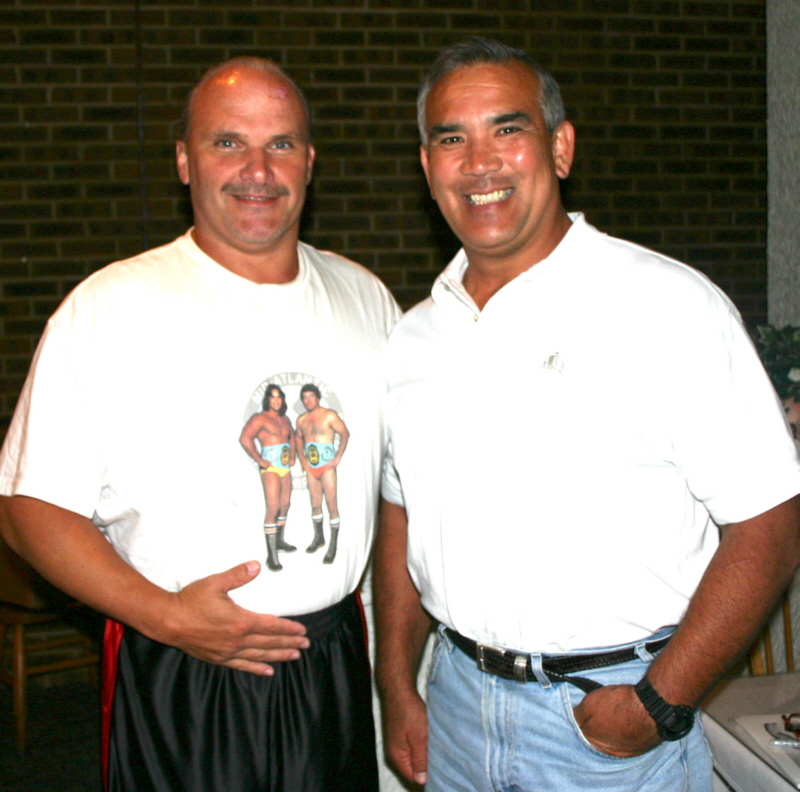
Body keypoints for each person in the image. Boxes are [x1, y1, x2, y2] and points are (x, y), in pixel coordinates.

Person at [374, 37, 800, 792]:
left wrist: (655, 706)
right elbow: (401, 515)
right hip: (455, 709)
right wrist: (398, 685)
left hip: (604, 725)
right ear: (427, 167)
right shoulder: (414, 339)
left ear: (561, 148)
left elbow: (770, 521)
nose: (479, 163)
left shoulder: (666, 307)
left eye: (508, 129)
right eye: (451, 139)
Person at [0, 56, 400, 792]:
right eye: (228, 143)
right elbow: (29, 509)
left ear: (310, 162)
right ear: (185, 161)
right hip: (184, 666)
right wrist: (165, 617)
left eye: (280, 144)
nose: (258, 170)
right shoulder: (112, 306)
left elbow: (396, 487)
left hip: (335, 658)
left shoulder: (365, 297)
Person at [239, 384, 297, 571]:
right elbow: (245, 438)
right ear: (267, 399)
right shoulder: (259, 418)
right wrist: (259, 460)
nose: (276, 400)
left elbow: (292, 438)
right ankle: (272, 556)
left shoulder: (285, 419)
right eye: (273, 397)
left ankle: (279, 541)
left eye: (279, 397)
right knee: (273, 507)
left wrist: (293, 456)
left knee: (285, 504)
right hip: (270, 467)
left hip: (285, 466)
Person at [295, 382, 350, 563]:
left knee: (331, 503)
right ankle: (319, 538)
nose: (308, 400)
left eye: (311, 396)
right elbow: (298, 438)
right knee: (315, 503)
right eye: (305, 397)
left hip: (327, 466)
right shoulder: (301, 420)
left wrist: (338, 457)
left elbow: (345, 433)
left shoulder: (329, 415)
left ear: (318, 398)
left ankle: (333, 545)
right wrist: (303, 460)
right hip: (312, 467)